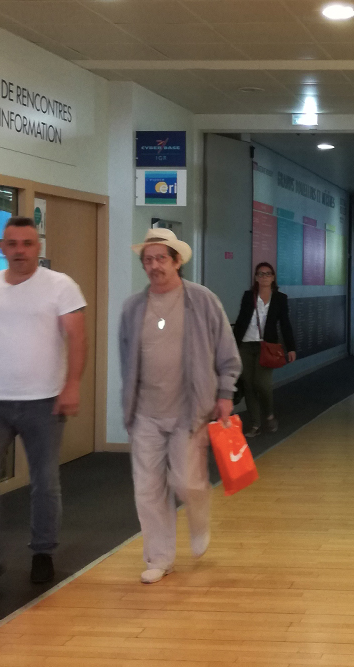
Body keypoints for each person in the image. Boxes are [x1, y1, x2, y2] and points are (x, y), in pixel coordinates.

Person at [0, 217, 87, 589]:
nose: (20, 251)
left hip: (43, 402)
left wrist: (72, 385)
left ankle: (42, 553)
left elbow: (77, 338)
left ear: (38, 247)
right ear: (2, 248)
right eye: (12, 244)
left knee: (44, 481)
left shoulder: (61, 286)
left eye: (27, 244)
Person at [120, 228, 241, 584]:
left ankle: (199, 518)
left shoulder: (202, 301)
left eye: (161, 258)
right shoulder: (132, 308)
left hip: (190, 411)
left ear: (176, 261)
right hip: (145, 412)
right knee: (147, 488)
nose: (154, 266)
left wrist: (225, 394)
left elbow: (227, 352)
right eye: (148, 259)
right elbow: (127, 359)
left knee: (187, 482)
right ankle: (159, 558)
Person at [233, 262, 297, 438]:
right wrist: (232, 345)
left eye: (268, 274)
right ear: (256, 277)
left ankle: (268, 414)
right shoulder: (249, 296)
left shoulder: (280, 298)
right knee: (248, 384)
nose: (264, 277)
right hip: (246, 344)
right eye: (260, 274)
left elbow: (285, 324)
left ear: (273, 277)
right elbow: (241, 321)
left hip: (267, 346)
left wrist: (291, 347)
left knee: (262, 383)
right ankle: (255, 424)